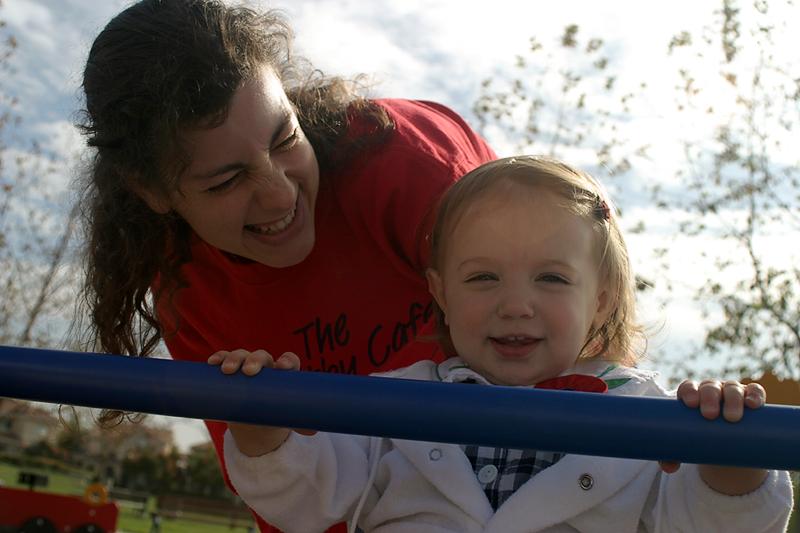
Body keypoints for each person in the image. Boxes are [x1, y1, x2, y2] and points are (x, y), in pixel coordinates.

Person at [76, 1, 495, 532]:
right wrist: (266, 444)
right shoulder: (188, 289)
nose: (279, 196)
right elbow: (284, 496)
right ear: (151, 191)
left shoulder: (407, 164)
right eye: (226, 181)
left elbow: (557, 346)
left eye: (286, 139)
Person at [213, 156, 794, 532]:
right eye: (483, 277)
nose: (515, 304)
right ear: (441, 293)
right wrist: (264, 430)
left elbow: (716, 522)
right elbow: (306, 498)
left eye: (551, 278)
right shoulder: (394, 403)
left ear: (601, 300)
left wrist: (729, 457)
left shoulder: (650, 417)